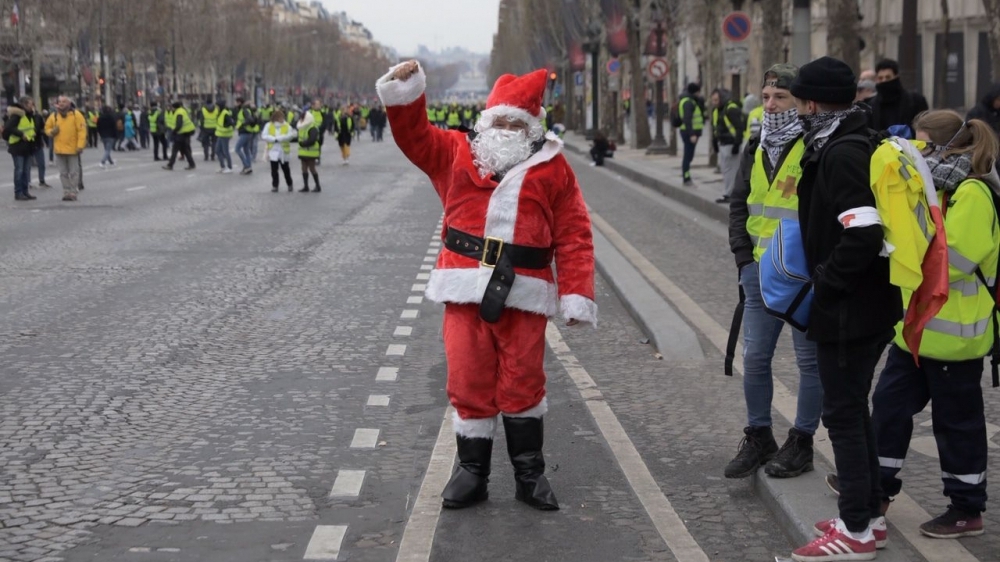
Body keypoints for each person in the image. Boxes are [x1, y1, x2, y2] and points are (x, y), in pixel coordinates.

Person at [376, 61, 596, 512]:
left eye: (516, 122)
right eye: (499, 119)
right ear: (485, 118)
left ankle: (529, 474)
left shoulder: (554, 168)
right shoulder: (454, 152)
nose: (506, 128)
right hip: (464, 291)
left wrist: (576, 293)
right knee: (467, 378)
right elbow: (414, 135)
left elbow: (574, 233)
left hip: (525, 292)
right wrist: (405, 90)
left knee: (523, 382)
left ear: (531, 127)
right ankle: (471, 472)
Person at [786, 56, 902, 562]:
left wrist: (826, 288)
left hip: (851, 310)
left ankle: (854, 532)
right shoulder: (854, 138)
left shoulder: (841, 152)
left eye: (797, 102)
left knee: (845, 417)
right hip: (866, 305)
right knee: (854, 410)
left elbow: (863, 234)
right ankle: (868, 515)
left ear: (811, 103)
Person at [864, 111, 997, 540]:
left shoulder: (973, 192)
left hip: (955, 337)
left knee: (957, 425)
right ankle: (876, 490)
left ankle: (966, 509)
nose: (913, 154)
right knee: (887, 409)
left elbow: (952, 262)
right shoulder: (935, 186)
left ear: (946, 147)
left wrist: (900, 242)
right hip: (916, 332)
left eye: (920, 146)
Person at [726, 64, 820, 481]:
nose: (771, 105)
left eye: (780, 98)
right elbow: (738, 204)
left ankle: (801, 441)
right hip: (759, 272)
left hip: (803, 277)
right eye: (766, 97)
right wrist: (744, 259)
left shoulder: (815, 145)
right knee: (756, 357)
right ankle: (759, 435)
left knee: (809, 361)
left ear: (799, 102)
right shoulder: (754, 145)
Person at [870, 59, 929, 138]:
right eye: (880, 78)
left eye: (888, 77)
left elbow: (925, 127)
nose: (884, 81)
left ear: (896, 77)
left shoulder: (916, 101)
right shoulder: (871, 105)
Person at [44, 96, 87, 202]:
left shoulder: (76, 115)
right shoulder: (54, 116)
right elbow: (47, 128)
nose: (61, 103)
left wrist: (80, 146)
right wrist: (51, 132)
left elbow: (82, 131)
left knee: (73, 172)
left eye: (64, 102)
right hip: (59, 149)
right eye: (60, 102)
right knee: (63, 173)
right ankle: (66, 191)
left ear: (69, 103)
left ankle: (73, 191)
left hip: (73, 149)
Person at [710, 88, 745, 203]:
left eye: (716, 100)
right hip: (723, 144)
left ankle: (730, 194)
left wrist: (737, 144)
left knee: (732, 170)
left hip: (731, 143)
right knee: (726, 170)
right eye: (713, 100)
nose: (714, 102)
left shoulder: (730, 109)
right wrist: (715, 142)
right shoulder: (717, 110)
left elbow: (739, 128)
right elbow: (716, 128)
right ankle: (728, 193)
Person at [3, 96, 38, 201]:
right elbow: (9, 128)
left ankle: (25, 191)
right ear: (25, 105)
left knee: (26, 171)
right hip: (18, 146)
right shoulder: (17, 115)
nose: (33, 106)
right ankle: (18, 192)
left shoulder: (30, 115)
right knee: (19, 170)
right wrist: (21, 134)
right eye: (31, 104)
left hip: (27, 146)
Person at [261, 109, 297, 192]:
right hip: (273, 150)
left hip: (284, 151)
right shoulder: (268, 125)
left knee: (286, 169)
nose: (283, 119)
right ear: (276, 118)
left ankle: (289, 184)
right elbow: (264, 135)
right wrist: (274, 139)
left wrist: (281, 138)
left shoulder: (287, 125)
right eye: (281, 118)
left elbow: (291, 135)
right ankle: (275, 186)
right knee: (274, 170)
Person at [678, 82, 705, 185]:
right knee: (688, 155)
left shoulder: (691, 101)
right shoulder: (688, 102)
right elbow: (687, 119)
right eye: (698, 92)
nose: (699, 94)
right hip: (689, 133)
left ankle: (686, 175)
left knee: (689, 155)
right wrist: (692, 134)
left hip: (691, 132)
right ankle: (686, 177)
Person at [162, 101, 196, 171]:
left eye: (172, 107)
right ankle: (192, 164)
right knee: (185, 149)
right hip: (186, 132)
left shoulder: (179, 113)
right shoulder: (182, 111)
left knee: (175, 149)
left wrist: (174, 132)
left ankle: (170, 165)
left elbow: (179, 124)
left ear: (174, 107)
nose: (171, 109)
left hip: (181, 133)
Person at [296, 109, 322, 193]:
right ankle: (306, 186)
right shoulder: (302, 127)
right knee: (303, 168)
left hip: (311, 152)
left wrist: (303, 144)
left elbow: (312, 139)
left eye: (302, 118)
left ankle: (317, 186)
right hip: (303, 151)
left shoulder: (312, 127)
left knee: (312, 168)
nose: (301, 120)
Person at [29, 101, 50, 189]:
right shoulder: (23, 116)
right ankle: (28, 182)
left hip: (38, 142)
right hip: (27, 144)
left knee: (41, 163)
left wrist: (45, 140)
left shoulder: (38, 116)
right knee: (28, 165)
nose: (31, 107)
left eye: (32, 105)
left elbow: (43, 128)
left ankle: (42, 180)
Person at [234, 97, 256, 175]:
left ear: (239, 102)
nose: (235, 104)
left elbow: (249, 119)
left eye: (236, 102)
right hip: (248, 132)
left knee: (237, 149)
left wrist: (241, 125)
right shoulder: (244, 110)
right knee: (246, 151)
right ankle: (248, 167)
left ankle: (246, 166)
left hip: (245, 132)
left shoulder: (244, 110)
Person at [215, 100, 235, 174]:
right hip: (220, 134)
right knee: (217, 150)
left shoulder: (225, 113)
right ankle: (223, 167)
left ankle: (229, 167)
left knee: (225, 151)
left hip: (225, 135)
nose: (216, 107)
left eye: (217, 105)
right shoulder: (220, 113)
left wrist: (224, 126)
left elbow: (231, 122)